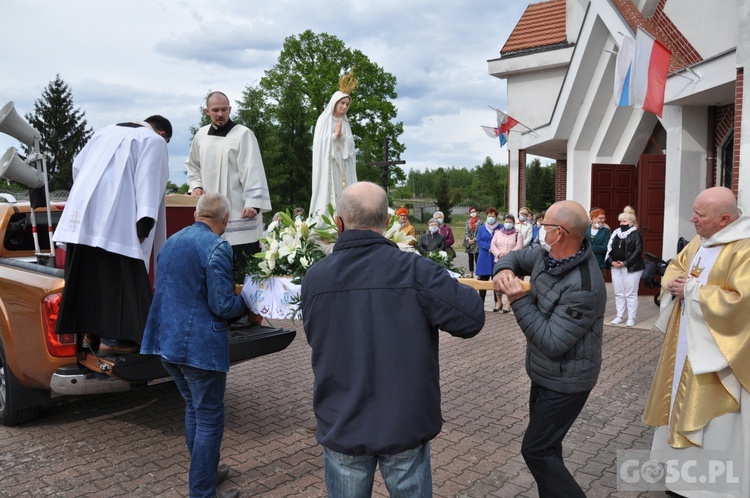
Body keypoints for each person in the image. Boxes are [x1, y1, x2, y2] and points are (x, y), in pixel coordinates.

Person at [301, 181, 485, 497]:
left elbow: (314, 335)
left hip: (343, 420)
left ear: (339, 223)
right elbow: (471, 317)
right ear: (387, 223)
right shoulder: (416, 270)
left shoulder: (316, 277)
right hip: (403, 420)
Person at [493, 200, 606, 498]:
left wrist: (517, 299)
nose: (541, 231)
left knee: (536, 451)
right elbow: (517, 257)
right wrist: (503, 270)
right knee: (548, 451)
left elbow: (552, 342)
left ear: (561, 233)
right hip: (543, 374)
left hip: (567, 381)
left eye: (545, 227)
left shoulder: (584, 286)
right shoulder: (548, 256)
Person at [643, 186, 750, 497]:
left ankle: (712, 488)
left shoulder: (743, 249)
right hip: (687, 345)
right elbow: (678, 265)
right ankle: (680, 479)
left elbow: (742, 302)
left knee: (718, 424)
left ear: (725, 219)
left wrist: (690, 291)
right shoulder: (701, 242)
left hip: (721, 356)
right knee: (677, 398)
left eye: (700, 215)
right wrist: (671, 280)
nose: (693, 219)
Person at [141, 193, 245, 498]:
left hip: (166, 344)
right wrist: (249, 299)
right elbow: (223, 305)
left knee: (194, 409)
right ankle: (203, 491)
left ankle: (208, 473)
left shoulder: (171, 241)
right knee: (210, 417)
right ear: (225, 219)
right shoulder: (217, 245)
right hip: (199, 349)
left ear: (197, 214)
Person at [53, 115, 172, 354]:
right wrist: (144, 224)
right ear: (162, 135)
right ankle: (113, 342)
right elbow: (149, 181)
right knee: (118, 283)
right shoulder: (154, 141)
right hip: (119, 223)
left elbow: (78, 166)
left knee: (87, 278)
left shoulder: (103, 132)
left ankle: (90, 335)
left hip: (82, 220)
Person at [185, 91, 272, 271]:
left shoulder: (243, 134)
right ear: (207, 111)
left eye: (224, 109)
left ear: (230, 109)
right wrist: (196, 186)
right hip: (210, 214)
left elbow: (253, 169)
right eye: (215, 110)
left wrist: (253, 204)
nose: (220, 114)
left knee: (242, 271)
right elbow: (193, 165)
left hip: (239, 214)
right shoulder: (201, 136)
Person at [309, 71, 358, 218]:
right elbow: (319, 144)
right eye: (342, 103)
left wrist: (342, 137)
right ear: (334, 103)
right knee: (328, 194)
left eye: (347, 104)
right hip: (329, 165)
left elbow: (350, 145)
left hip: (342, 165)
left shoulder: (345, 123)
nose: (344, 107)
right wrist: (334, 136)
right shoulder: (324, 120)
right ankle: (326, 220)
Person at [605, 211, 644, 327]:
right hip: (616, 266)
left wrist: (625, 263)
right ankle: (619, 316)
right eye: (620, 221)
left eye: (624, 221)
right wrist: (611, 261)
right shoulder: (615, 234)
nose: (622, 223)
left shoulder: (636, 234)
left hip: (632, 267)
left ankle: (631, 318)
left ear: (631, 222)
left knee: (630, 293)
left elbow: (638, 251)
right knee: (618, 292)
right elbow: (609, 249)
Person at [490, 214, 523, 312]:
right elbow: (493, 245)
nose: (508, 223)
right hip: (499, 260)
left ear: (513, 223)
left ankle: (509, 303)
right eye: (506, 221)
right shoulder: (498, 233)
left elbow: (519, 247)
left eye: (510, 222)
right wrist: (499, 254)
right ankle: (499, 302)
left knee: (510, 282)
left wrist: (509, 255)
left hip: (511, 262)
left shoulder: (518, 234)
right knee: (498, 281)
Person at [476, 207, 500, 306]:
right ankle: (481, 302)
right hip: (484, 256)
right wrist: (488, 247)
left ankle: (497, 302)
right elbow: (479, 240)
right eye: (489, 216)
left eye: (493, 216)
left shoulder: (500, 228)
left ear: (496, 217)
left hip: (495, 257)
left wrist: (495, 249)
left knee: (496, 280)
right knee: (483, 281)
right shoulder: (481, 228)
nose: (491, 218)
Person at [586, 208, 611, 277]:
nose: (602, 220)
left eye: (604, 218)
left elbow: (605, 247)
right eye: (600, 218)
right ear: (593, 218)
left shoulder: (606, 231)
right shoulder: (585, 229)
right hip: (585, 262)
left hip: (599, 263)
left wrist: (588, 248)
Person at [463, 206, 482, 277]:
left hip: (477, 242)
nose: (473, 213)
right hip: (469, 242)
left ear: (477, 212)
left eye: (474, 212)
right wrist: (468, 239)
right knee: (470, 258)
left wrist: (474, 239)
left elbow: (480, 231)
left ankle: (479, 273)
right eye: (471, 212)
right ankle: (471, 273)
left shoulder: (480, 221)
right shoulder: (468, 222)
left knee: (477, 258)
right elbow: (466, 231)